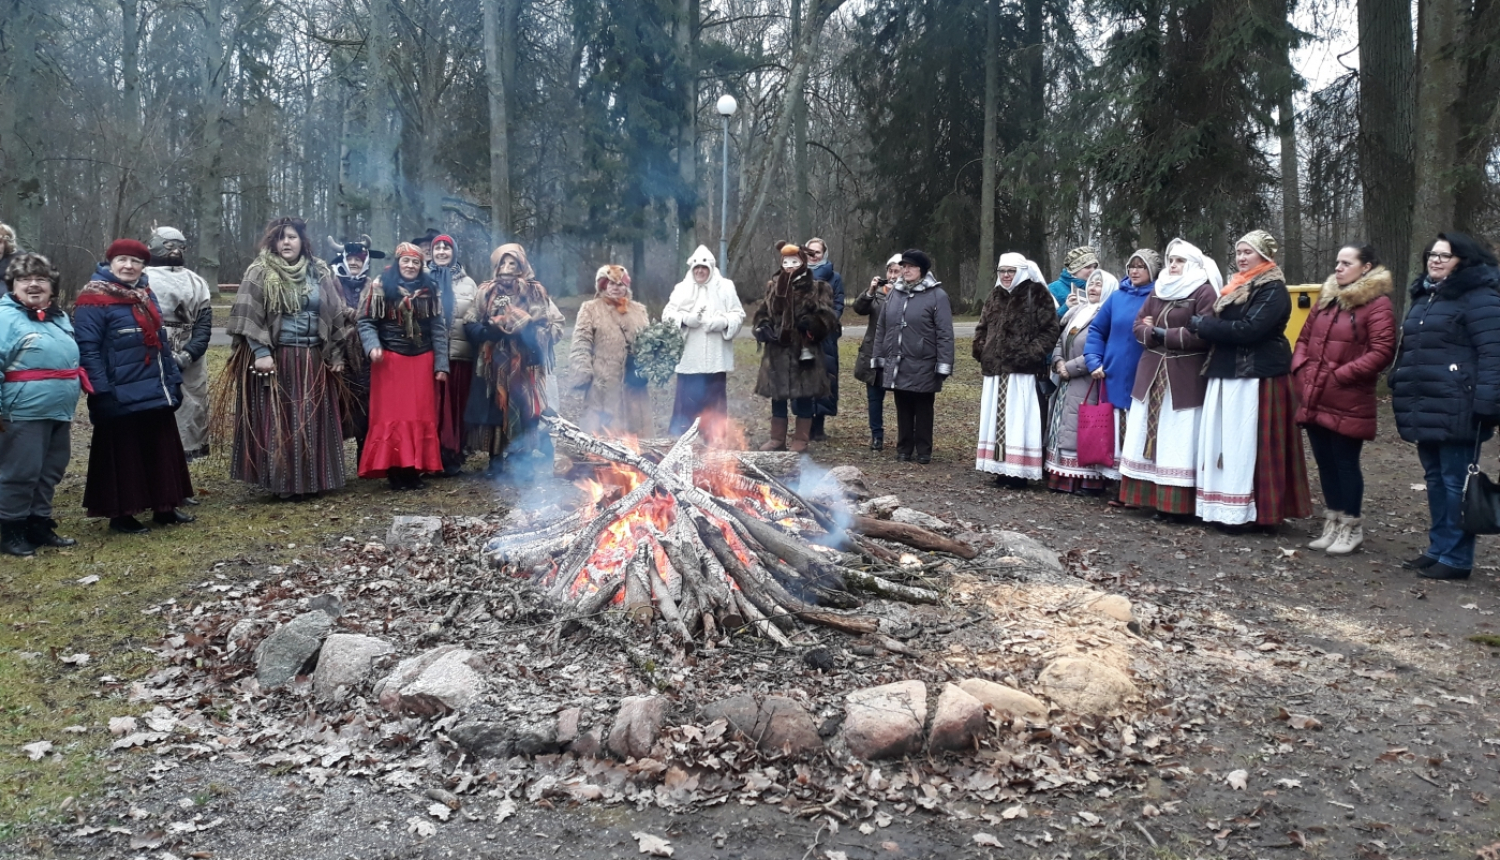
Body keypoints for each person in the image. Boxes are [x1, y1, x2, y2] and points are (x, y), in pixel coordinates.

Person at [1389, 232, 1500, 580]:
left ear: (1463, 260)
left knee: (1457, 483)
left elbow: (1493, 355)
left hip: (1461, 406)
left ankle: (1456, 558)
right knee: (1435, 479)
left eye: (1445, 255)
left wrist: (1487, 403)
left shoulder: (1481, 298)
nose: (1435, 260)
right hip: (1426, 402)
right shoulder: (1424, 297)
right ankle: (1438, 548)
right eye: (1432, 255)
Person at [1190, 230, 1311, 530]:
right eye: (1239, 252)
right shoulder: (1236, 287)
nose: (1241, 258)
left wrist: (1204, 325)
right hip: (1228, 372)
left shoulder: (1273, 289)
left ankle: (1257, 513)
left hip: (1257, 376)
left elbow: (1249, 330)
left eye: (1248, 253)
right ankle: (1224, 508)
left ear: (1265, 257)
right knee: (1226, 443)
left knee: (1248, 444)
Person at [226, 217, 351, 501]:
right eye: (281, 238)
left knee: (312, 420)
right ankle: (283, 483)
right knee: (282, 421)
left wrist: (336, 354)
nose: (286, 242)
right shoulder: (259, 271)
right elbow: (248, 316)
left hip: (314, 359)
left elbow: (333, 315)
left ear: (302, 241)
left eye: (292, 237)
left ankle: (313, 480)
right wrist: (261, 353)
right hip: (278, 358)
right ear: (272, 242)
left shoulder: (319, 271)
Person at [74, 239, 195, 533]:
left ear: (143, 266)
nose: (128, 266)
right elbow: (88, 349)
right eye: (122, 260)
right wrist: (100, 392)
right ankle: (122, 514)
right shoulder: (92, 299)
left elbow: (160, 341)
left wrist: (172, 380)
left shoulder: (144, 293)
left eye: (135, 261)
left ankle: (165, 506)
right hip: (118, 390)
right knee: (124, 453)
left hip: (153, 385)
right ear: (111, 263)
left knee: (159, 447)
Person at [1291, 245, 1397, 555]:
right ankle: (1333, 521)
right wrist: (1300, 369)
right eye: (1337, 262)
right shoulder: (1326, 299)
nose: (1338, 267)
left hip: (1348, 397)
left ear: (1365, 268)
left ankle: (1352, 527)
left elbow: (1382, 351)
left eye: (1346, 263)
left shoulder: (1378, 305)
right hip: (1314, 393)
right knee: (1324, 461)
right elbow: (1303, 339)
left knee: (1345, 462)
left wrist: (1341, 376)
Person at [1117, 239, 1220, 518]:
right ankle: (1148, 497)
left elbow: (1204, 332)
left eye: (1180, 261)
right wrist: (1152, 333)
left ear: (1194, 265)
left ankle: (1176, 504)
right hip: (1151, 372)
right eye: (1171, 260)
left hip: (1183, 376)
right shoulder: (1159, 288)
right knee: (1146, 433)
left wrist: (1164, 334)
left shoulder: (1204, 291)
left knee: (1178, 437)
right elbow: (1138, 324)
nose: (1173, 265)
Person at [0, 254, 82, 555]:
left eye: (41, 279)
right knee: (20, 472)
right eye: (24, 279)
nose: (33, 285)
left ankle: (38, 523)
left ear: (52, 286)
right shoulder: (5, 317)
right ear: (13, 285)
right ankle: (10, 529)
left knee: (50, 470)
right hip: (21, 412)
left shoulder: (58, 317)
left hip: (58, 410)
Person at [463, 243, 564, 481]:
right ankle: (495, 460)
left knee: (526, 410)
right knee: (495, 410)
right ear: (495, 266)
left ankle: (524, 459)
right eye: (503, 263)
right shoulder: (485, 291)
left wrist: (526, 328)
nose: (507, 268)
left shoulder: (535, 291)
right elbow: (470, 321)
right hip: (494, 364)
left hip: (526, 362)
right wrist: (488, 330)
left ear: (522, 266)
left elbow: (550, 325)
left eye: (513, 263)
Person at [357, 242, 448, 490]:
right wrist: (372, 345)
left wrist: (442, 364)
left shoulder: (430, 290)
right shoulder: (379, 286)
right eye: (406, 261)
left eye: (415, 262)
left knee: (420, 416)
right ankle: (395, 471)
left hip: (422, 360)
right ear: (398, 262)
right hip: (390, 361)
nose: (410, 266)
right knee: (392, 417)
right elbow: (365, 322)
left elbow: (439, 330)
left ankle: (414, 470)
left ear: (421, 266)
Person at [974, 253, 1059, 486]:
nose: (1006, 275)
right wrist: (981, 348)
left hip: (1022, 372)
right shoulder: (995, 295)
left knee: (1018, 419)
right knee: (996, 419)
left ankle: (1018, 471)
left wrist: (1029, 353)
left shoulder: (1037, 293)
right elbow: (983, 326)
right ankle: (999, 467)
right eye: (1002, 271)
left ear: (1021, 271)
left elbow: (1051, 330)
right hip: (995, 369)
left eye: (1011, 271)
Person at [752, 242, 839, 453]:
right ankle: (777, 439)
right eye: (786, 262)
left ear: (802, 263)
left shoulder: (818, 287)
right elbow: (763, 312)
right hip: (777, 352)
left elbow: (829, 318)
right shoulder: (773, 287)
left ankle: (801, 440)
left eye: (794, 262)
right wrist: (762, 326)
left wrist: (813, 324)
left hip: (804, 352)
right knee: (778, 398)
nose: (790, 266)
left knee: (805, 397)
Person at [1083, 249, 1159, 486]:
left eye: (1141, 266)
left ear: (1153, 271)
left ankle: (1135, 482)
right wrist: (1094, 360)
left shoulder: (1158, 297)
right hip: (1113, 373)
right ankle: (1112, 479)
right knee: (1114, 423)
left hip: (1144, 373)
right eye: (1131, 266)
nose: (1134, 271)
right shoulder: (1116, 297)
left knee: (1138, 424)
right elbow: (1096, 330)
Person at [871, 249, 953, 464]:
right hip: (899, 359)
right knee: (903, 405)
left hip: (925, 360)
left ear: (922, 270)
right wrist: (880, 355)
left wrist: (944, 363)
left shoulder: (937, 295)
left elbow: (945, 333)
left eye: (911, 267)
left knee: (923, 406)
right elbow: (882, 326)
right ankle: (904, 448)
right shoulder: (894, 293)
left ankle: (924, 449)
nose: (906, 270)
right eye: (904, 266)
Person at [144, 227, 213, 462]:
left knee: (189, 411)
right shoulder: (141, 279)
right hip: (151, 360)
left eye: (180, 246)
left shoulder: (197, 282)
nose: (175, 251)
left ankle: (181, 477)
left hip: (190, 364)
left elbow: (203, 326)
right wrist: (161, 355)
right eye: (169, 245)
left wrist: (187, 355)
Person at [1045, 267, 1116, 493]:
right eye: (1091, 283)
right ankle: (1061, 478)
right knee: (1064, 426)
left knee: (1083, 428)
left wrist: (1070, 368)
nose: (1093, 288)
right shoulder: (1078, 311)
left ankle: (1086, 480)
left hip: (1089, 383)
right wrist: (1057, 362)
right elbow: (1061, 339)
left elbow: (1100, 351)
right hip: (1065, 381)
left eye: (1099, 285)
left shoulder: (1107, 316)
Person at [662, 245, 743, 438]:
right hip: (689, 359)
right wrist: (683, 319)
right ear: (692, 269)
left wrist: (722, 322)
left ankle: (713, 443)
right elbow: (667, 315)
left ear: (711, 268)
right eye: (696, 267)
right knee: (687, 403)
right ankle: (683, 441)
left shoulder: (725, 287)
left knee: (714, 402)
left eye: (704, 268)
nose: (700, 271)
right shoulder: (682, 288)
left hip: (715, 360)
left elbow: (738, 314)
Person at [570, 265, 653, 438]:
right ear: (603, 286)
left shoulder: (639, 310)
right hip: (602, 381)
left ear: (626, 287)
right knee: (600, 434)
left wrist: (646, 365)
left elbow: (648, 343)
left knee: (635, 431)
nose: (616, 288)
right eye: (611, 284)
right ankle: (598, 462)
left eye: (620, 284)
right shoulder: (590, 309)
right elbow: (581, 341)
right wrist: (583, 371)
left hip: (632, 382)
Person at [328, 235, 384, 460]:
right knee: (338, 406)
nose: (354, 263)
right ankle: (334, 462)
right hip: (338, 355)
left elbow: (376, 319)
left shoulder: (374, 286)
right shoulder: (331, 285)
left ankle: (365, 456)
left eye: (358, 260)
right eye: (350, 259)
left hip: (365, 356)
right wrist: (334, 355)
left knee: (366, 407)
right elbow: (327, 319)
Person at [430, 234, 478, 476]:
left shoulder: (469, 284)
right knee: (434, 409)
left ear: (454, 252)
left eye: (446, 248)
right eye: (437, 248)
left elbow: (476, 314)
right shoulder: (423, 279)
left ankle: (453, 457)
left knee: (456, 408)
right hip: (431, 356)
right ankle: (431, 456)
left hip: (460, 354)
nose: (441, 251)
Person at [854, 254, 902, 450]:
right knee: (874, 398)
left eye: (896, 271)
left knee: (903, 397)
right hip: (874, 351)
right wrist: (870, 290)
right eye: (890, 271)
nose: (892, 275)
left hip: (897, 352)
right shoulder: (877, 294)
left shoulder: (908, 294)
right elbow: (859, 308)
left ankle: (905, 437)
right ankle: (877, 435)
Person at [806, 237, 844, 441]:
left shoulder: (834, 277)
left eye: (817, 252)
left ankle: (819, 426)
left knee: (824, 379)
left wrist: (824, 324)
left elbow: (838, 304)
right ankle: (804, 423)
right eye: (809, 252)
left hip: (826, 336)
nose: (813, 256)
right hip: (803, 336)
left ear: (824, 254)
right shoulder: (797, 276)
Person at [1046, 246, 1099, 318]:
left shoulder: (1098, 289)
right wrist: (1066, 307)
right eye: (1088, 267)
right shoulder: (1052, 289)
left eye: (1095, 267)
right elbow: (1043, 323)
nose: (1093, 271)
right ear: (1075, 269)